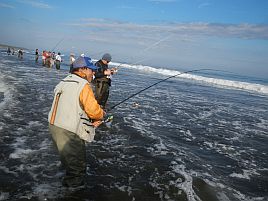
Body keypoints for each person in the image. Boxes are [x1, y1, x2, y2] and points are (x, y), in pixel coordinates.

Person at [48, 56, 104, 188]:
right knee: (77, 168)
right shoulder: (83, 85)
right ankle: (71, 192)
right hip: (68, 131)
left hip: (53, 126)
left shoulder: (63, 81)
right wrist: (101, 114)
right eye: (92, 70)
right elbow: (94, 111)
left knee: (68, 161)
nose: (94, 73)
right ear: (83, 69)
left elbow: (69, 104)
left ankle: (66, 184)